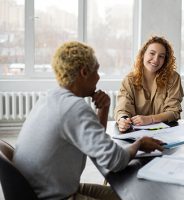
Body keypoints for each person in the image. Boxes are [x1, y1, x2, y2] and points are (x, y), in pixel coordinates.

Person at [12, 41, 164, 200]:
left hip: (44, 189)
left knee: (124, 196)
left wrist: (103, 109)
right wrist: (139, 144)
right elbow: (114, 161)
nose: (98, 77)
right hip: (56, 197)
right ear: (84, 72)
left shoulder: (50, 97)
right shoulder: (74, 108)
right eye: (96, 71)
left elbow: (96, 144)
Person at [115, 36, 184, 132]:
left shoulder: (173, 78)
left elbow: (174, 112)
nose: (156, 60)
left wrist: (150, 119)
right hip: (136, 135)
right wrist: (122, 119)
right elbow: (123, 107)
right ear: (143, 54)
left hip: (165, 133)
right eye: (152, 53)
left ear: (165, 60)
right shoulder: (129, 80)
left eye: (161, 56)